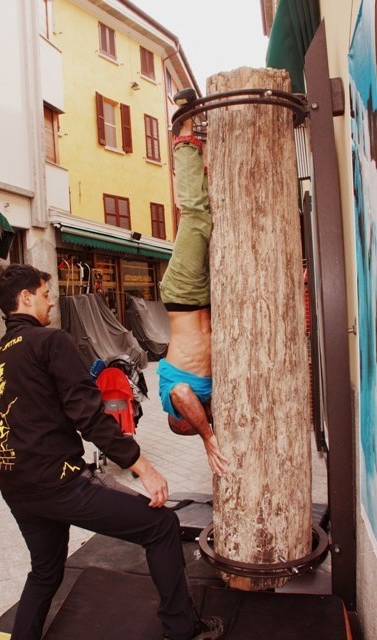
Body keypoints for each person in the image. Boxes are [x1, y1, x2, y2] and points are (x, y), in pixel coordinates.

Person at [0, 263, 224, 640]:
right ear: (26, 298)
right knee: (161, 527)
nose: (51, 303)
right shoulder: (51, 341)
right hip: (61, 485)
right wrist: (144, 467)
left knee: (45, 571)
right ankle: (183, 629)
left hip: (16, 488)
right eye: (46, 295)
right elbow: (90, 416)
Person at [158, 90, 229, 477]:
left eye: (192, 422)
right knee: (218, 217)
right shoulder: (208, 396)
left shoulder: (178, 395)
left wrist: (207, 437)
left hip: (183, 296)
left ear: (180, 417)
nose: (201, 418)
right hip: (207, 301)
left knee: (197, 218)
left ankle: (182, 134)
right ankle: (203, 155)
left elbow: (185, 397)